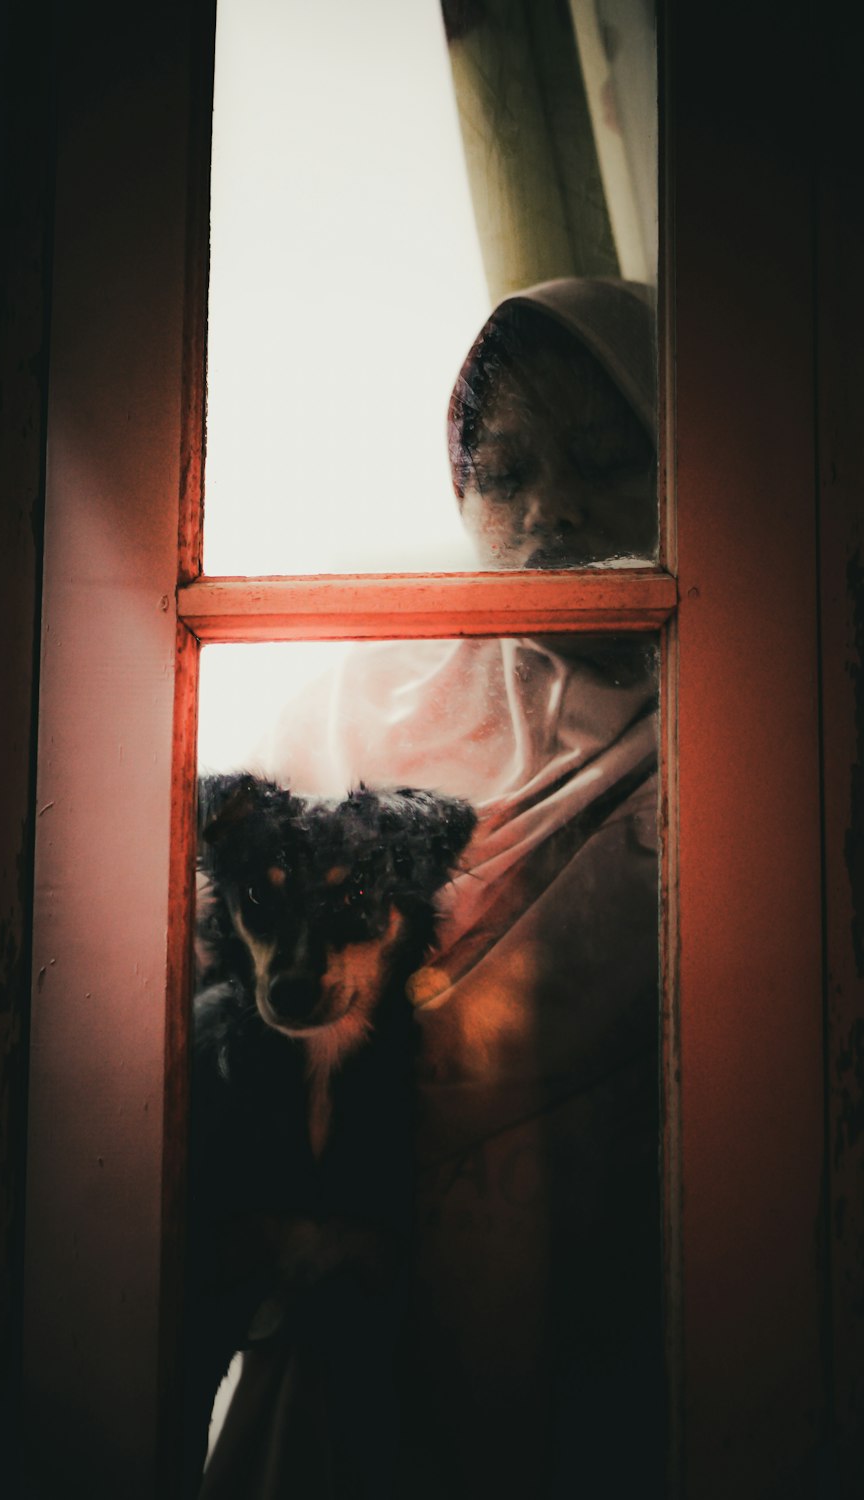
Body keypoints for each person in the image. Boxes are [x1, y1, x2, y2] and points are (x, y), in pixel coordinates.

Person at [200, 278, 664, 1498]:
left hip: (649, 1331)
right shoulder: (359, 708)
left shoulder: (778, 734)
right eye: (502, 474)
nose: (551, 513)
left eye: (609, 459)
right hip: (351, 1335)